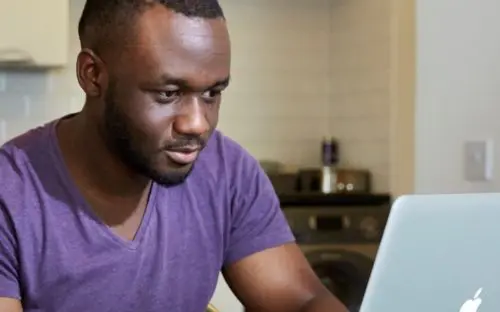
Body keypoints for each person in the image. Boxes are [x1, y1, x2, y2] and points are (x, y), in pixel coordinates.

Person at [0, 0, 348, 311]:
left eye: (212, 93)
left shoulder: (227, 171)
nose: (197, 124)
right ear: (93, 75)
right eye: (168, 93)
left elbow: (302, 301)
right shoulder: (10, 193)